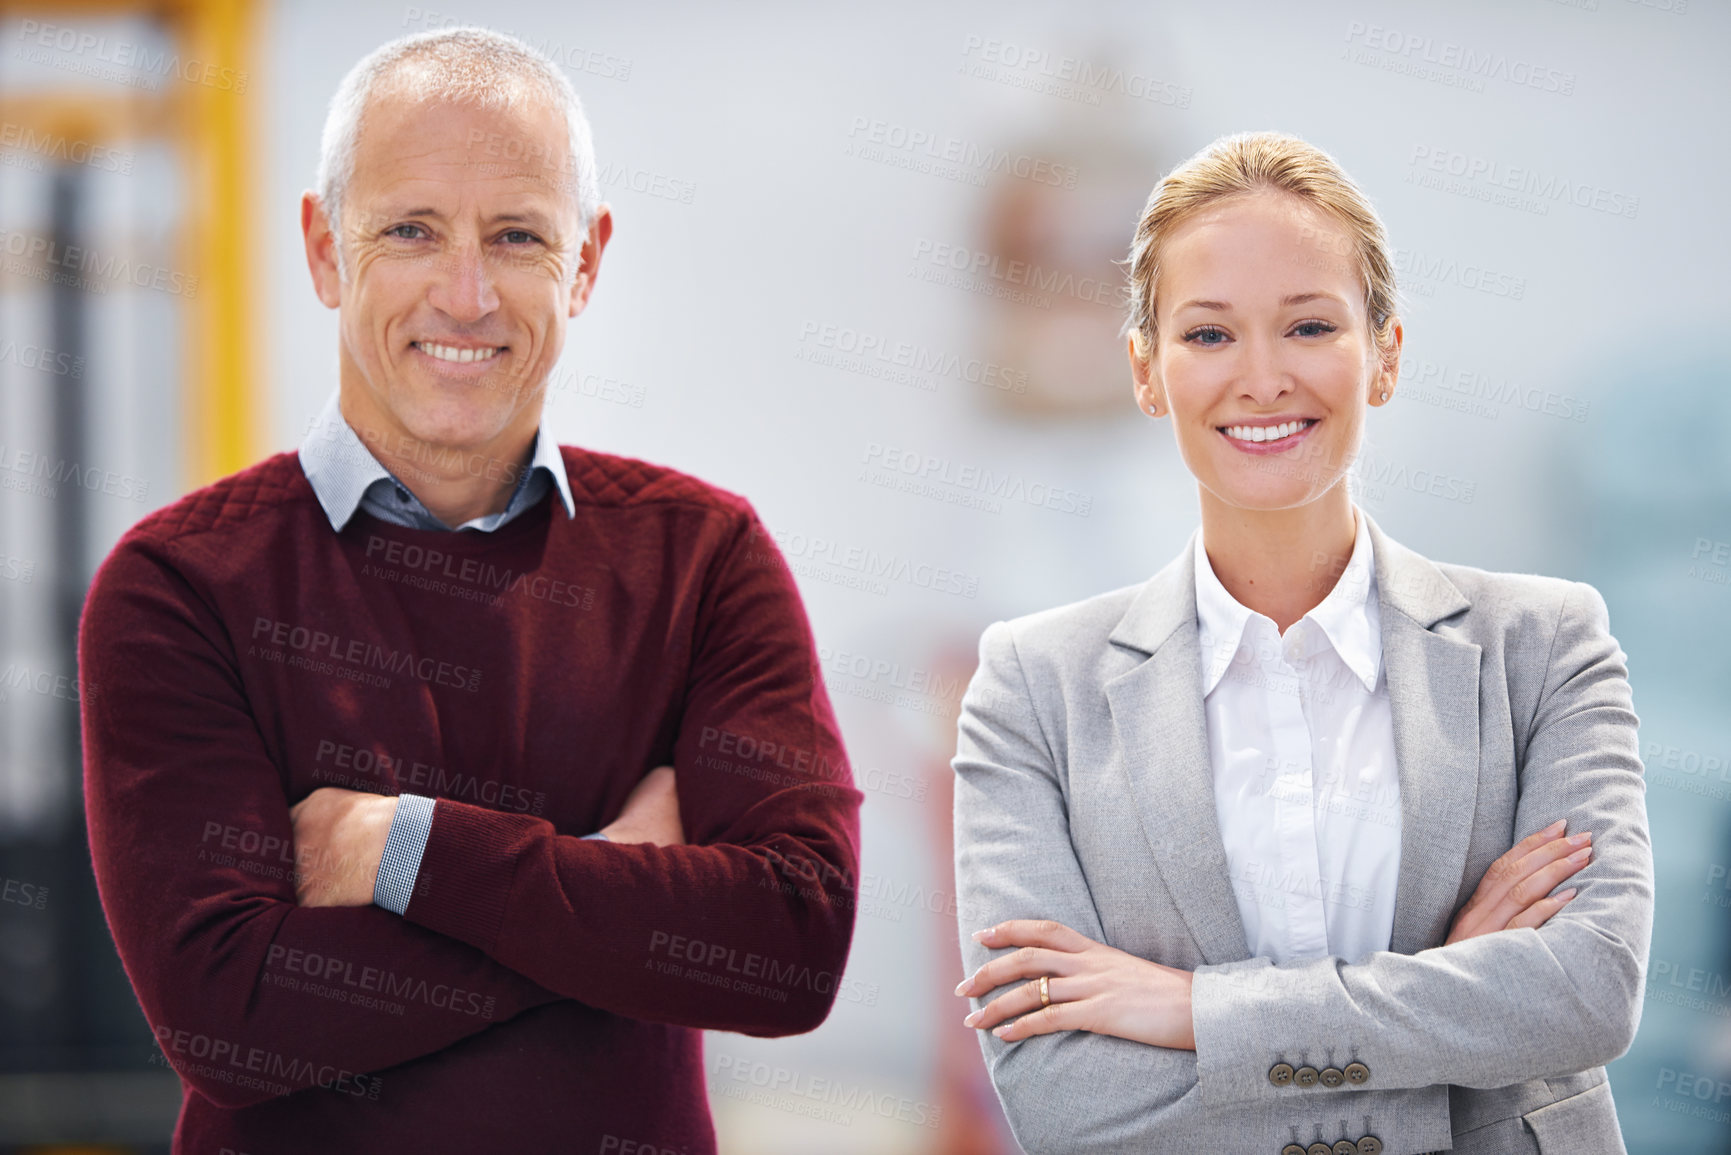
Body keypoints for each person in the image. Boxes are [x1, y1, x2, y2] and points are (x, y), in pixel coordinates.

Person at [78, 27, 862, 1155]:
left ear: (584, 263)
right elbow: (230, 1023)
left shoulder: (703, 560)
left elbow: (790, 943)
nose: (466, 293)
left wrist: (408, 853)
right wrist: (621, 879)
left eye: (517, 237)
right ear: (323, 250)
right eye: (410, 231)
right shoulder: (181, 587)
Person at [950, 131, 1651, 1155]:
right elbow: (1062, 1095)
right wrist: (1455, 1017)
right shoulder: (1032, 690)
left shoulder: (1545, 649)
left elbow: (1589, 995)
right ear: (1147, 372)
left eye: (1311, 325)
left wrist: (1190, 1012)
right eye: (1209, 336)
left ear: (1387, 355)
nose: (1264, 378)